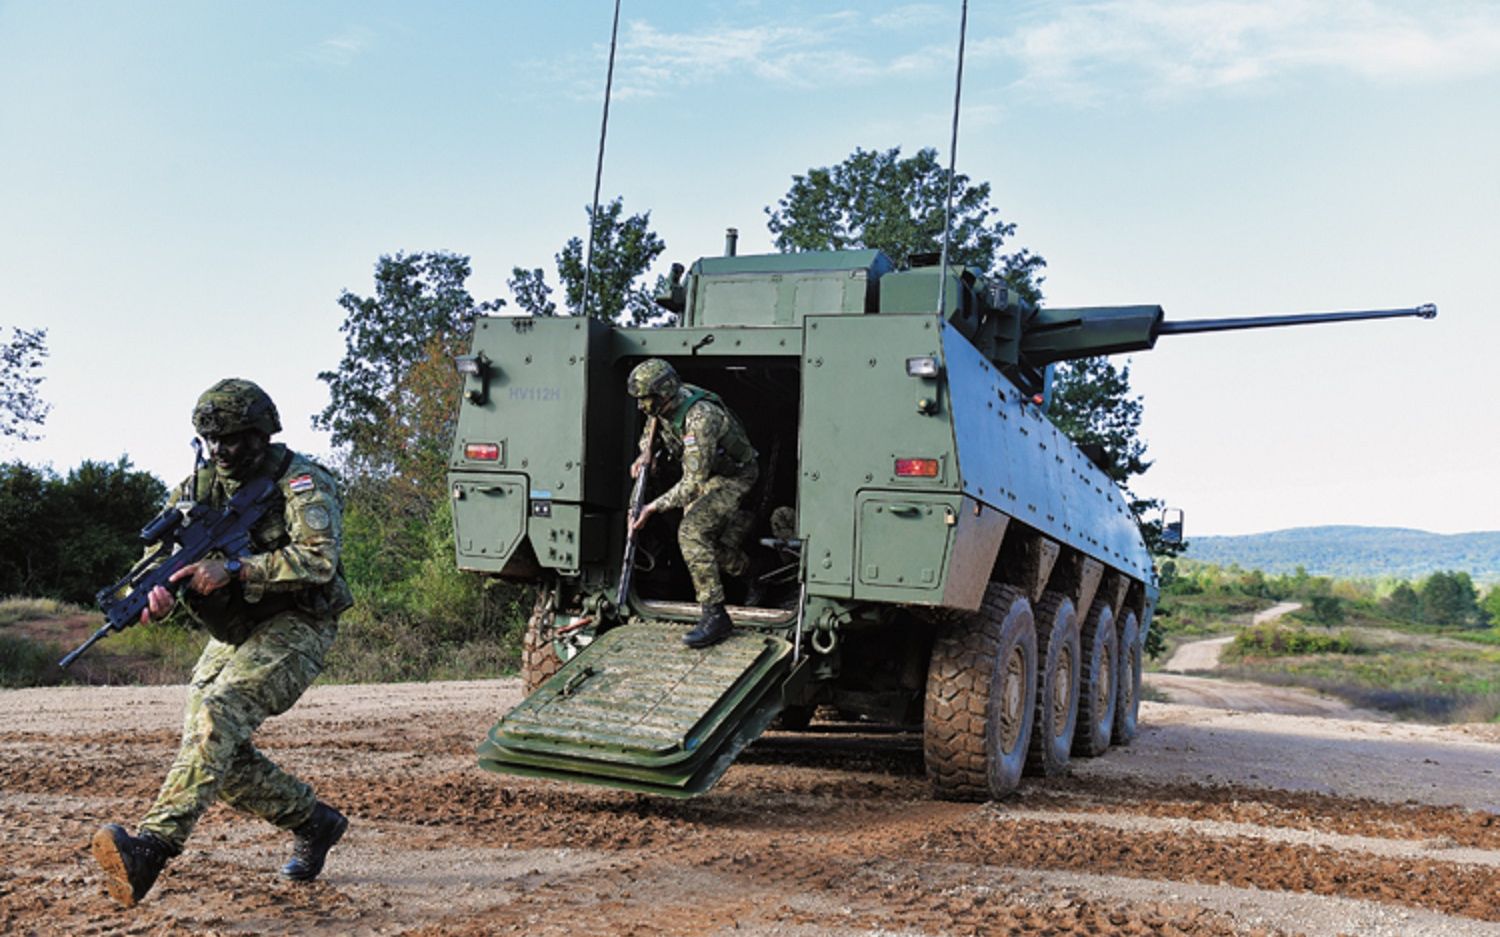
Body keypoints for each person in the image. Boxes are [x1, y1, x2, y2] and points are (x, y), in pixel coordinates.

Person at [91, 378, 354, 908]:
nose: (221, 451)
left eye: (232, 439)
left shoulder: (301, 482)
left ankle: (152, 848)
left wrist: (234, 567)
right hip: (236, 630)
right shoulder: (194, 491)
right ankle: (313, 821)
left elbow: (319, 561)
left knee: (218, 713)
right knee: (209, 747)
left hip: (298, 620)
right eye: (211, 440)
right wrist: (157, 599)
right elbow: (169, 564)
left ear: (261, 434)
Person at [627, 358, 758, 649]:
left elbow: (692, 484)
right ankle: (752, 573)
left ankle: (715, 615)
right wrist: (643, 457)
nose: (641, 407)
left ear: (664, 394)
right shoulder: (663, 407)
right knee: (704, 545)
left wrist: (651, 507)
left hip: (733, 478)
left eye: (645, 400)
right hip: (707, 476)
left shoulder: (700, 419)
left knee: (692, 533)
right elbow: (651, 434)